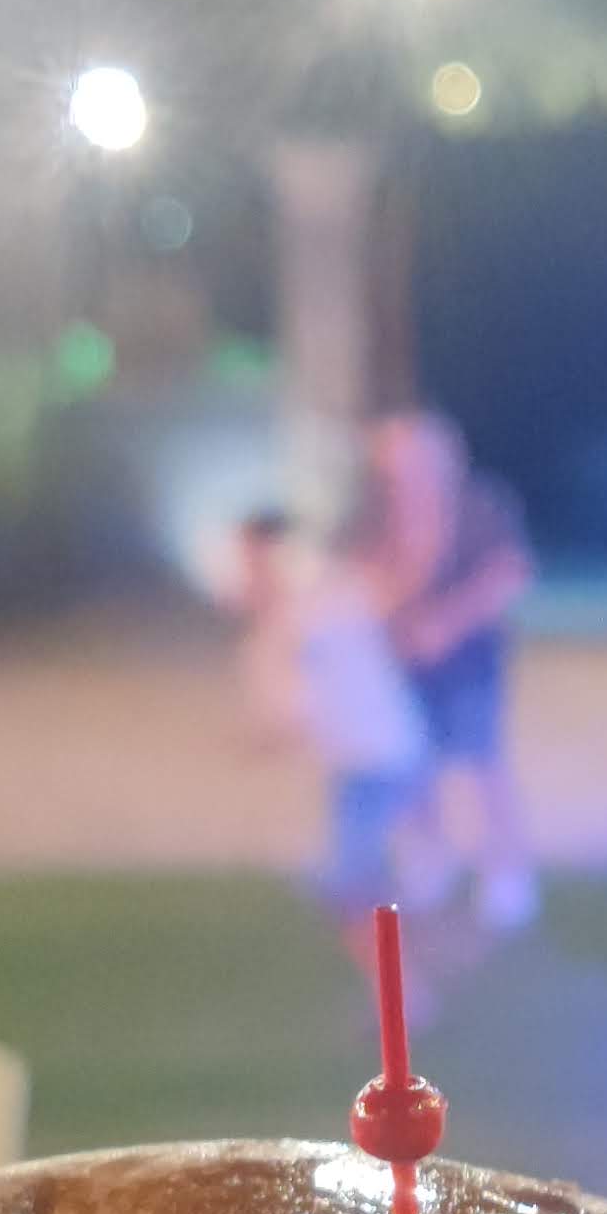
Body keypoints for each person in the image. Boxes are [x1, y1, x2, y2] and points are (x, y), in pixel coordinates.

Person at [222, 504, 445, 943]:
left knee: (354, 885)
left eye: (250, 558)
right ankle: (402, 955)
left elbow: (293, 714)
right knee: (353, 881)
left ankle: (406, 972)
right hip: (367, 757)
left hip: (376, 756)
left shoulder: (313, 609)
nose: (244, 574)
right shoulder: (314, 605)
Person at [362, 401, 536, 939]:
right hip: (399, 664)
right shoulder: (377, 513)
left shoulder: (481, 506)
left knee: (482, 766)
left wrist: (446, 622)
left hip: (470, 661)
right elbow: (361, 576)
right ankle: (428, 864)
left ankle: (507, 874)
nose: (405, 472)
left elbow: (509, 574)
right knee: (412, 768)